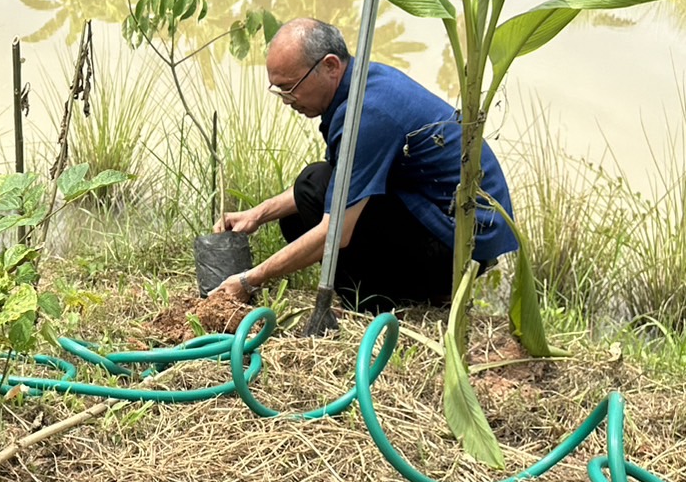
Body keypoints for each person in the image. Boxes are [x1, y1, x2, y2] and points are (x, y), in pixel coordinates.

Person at [213, 18, 516, 312]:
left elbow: (337, 232)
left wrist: (249, 280)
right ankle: (388, 291)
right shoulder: (363, 84)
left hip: (459, 250)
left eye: (291, 87)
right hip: (442, 224)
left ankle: (381, 301)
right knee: (307, 196)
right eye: (278, 90)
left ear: (330, 66)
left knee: (314, 187)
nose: (287, 100)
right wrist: (257, 214)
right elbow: (339, 182)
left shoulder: (367, 113)